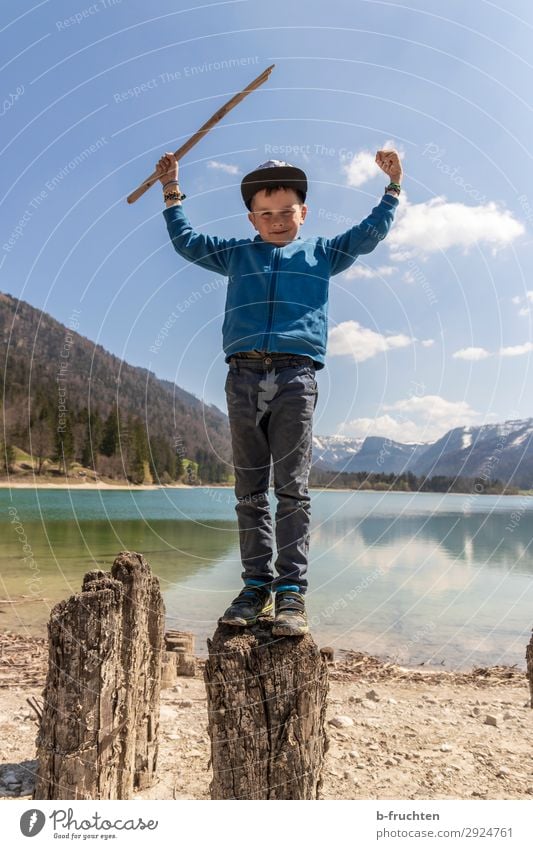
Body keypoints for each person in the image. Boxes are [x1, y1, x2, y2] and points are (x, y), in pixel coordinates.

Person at [156, 149, 402, 636]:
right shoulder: (235, 254)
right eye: (265, 214)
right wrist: (171, 190)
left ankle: (291, 593)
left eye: (286, 212)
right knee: (249, 492)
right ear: (252, 218)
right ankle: (255, 587)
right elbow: (186, 241)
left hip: (296, 377)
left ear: (303, 213)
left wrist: (393, 187)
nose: (276, 221)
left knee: (292, 491)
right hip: (242, 377)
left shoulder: (322, 255)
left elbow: (369, 233)